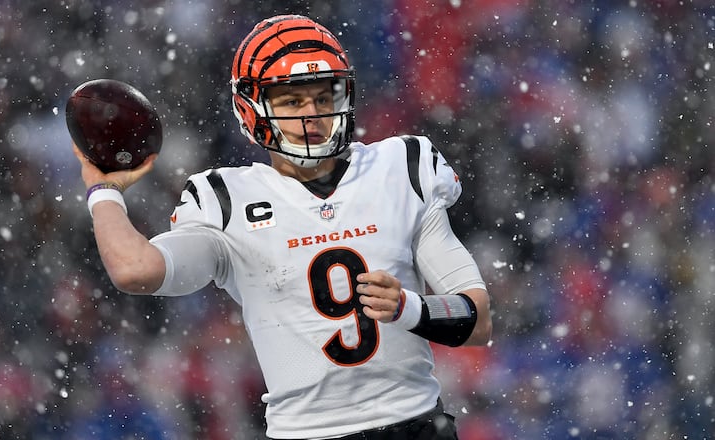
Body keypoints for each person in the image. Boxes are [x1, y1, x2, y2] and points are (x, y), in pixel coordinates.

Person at [73, 14, 492, 440]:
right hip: (304, 433)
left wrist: (410, 308)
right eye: (292, 102)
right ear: (251, 108)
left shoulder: (400, 167)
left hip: (415, 425)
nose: (312, 115)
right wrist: (103, 190)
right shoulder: (224, 199)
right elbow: (135, 270)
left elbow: (477, 319)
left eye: (323, 96)